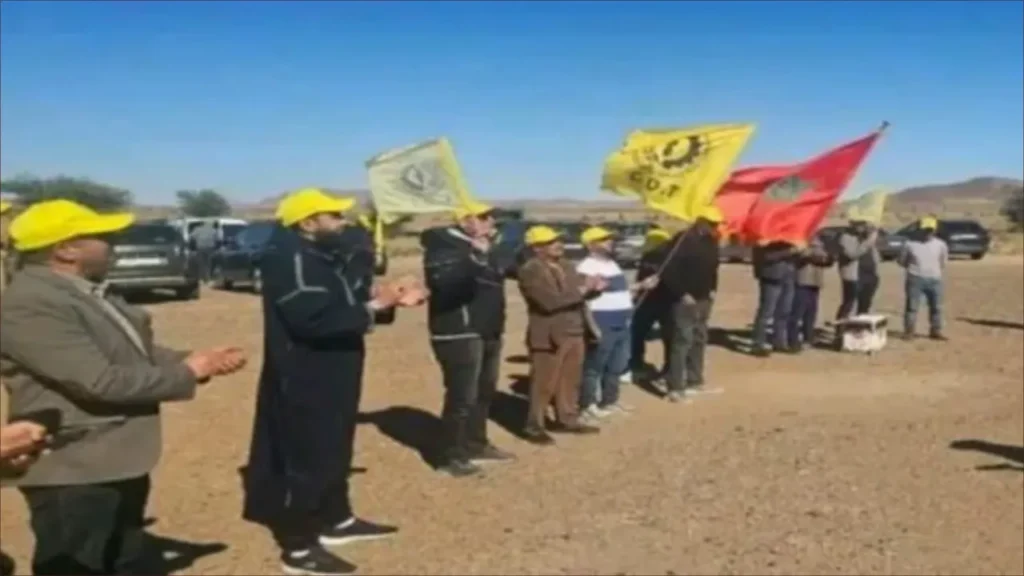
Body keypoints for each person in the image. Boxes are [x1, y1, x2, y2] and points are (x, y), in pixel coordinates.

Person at [0, 199, 246, 576]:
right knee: (78, 563)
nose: (113, 245)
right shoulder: (30, 304)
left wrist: (192, 359)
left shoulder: (85, 291)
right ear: (66, 250)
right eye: (102, 237)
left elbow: (132, 351)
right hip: (75, 467)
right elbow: (99, 381)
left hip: (113, 458)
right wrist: (188, 373)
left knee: (125, 557)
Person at [242, 188, 425, 576]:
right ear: (308, 223)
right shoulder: (289, 258)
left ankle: (335, 518)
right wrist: (377, 306)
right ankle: (298, 545)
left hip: (336, 365)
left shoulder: (318, 255)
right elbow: (311, 319)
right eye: (335, 216)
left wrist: (386, 295)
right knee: (306, 455)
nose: (343, 223)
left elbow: (344, 299)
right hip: (305, 372)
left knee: (334, 445)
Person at [421, 201, 515, 478]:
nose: (490, 223)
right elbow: (444, 283)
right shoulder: (443, 247)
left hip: (489, 329)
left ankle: (476, 443)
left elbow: (506, 268)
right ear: (464, 221)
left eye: (491, 218)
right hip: (459, 331)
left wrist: (492, 249)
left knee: (484, 393)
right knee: (462, 396)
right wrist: (474, 256)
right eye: (483, 217)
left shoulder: (487, 246)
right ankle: (450, 455)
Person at [517, 225, 603, 445]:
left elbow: (578, 296)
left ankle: (567, 419)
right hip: (548, 336)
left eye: (558, 241)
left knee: (570, 381)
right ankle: (534, 426)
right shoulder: (530, 270)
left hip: (575, 331)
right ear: (536, 248)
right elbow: (548, 302)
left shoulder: (567, 265)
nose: (558, 245)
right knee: (543, 383)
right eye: (550, 242)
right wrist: (582, 291)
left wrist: (595, 288)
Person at [576, 226, 651, 422]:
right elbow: (582, 298)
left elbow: (620, 291)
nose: (610, 242)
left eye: (610, 239)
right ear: (590, 245)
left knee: (617, 364)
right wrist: (592, 327)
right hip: (602, 320)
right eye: (604, 239)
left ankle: (609, 401)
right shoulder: (586, 267)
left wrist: (641, 286)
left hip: (622, 320)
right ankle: (587, 405)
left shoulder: (612, 264)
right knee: (595, 366)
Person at [655, 206, 722, 402]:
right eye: (711, 223)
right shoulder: (682, 240)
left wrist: (713, 288)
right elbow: (668, 271)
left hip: (704, 298)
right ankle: (675, 387)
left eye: (717, 224)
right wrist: (682, 293)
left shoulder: (711, 241)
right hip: (684, 300)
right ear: (700, 221)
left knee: (699, 338)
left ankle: (695, 380)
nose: (715, 227)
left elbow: (713, 268)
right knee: (682, 340)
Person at [630, 227, 672, 380]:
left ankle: (669, 368)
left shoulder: (670, 259)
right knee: (637, 333)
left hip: (665, 301)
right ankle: (636, 364)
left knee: (669, 335)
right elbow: (640, 276)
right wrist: (638, 291)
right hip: (645, 300)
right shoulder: (647, 255)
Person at [899, 217, 949, 341]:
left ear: (935, 230)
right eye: (925, 229)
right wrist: (913, 269)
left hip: (934, 279)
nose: (928, 232)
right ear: (919, 229)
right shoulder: (909, 244)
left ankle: (935, 331)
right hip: (915, 279)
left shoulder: (941, 245)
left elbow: (943, 262)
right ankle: (909, 332)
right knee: (912, 307)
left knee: (936, 306)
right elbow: (902, 261)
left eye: (931, 230)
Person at [750, 240, 800, 357]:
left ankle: (779, 341)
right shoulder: (765, 238)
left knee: (784, 311)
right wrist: (788, 252)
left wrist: (800, 251)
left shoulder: (790, 237)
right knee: (766, 312)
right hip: (771, 277)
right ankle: (758, 343)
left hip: (789, 276)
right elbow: (766, 257)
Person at [786, 236, 834, 352]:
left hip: (815, 282)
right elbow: (802, 257)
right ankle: (792, 339)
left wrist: (828, 257)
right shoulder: (799, 241)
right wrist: (814, 254)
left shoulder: (821, 243)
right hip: (802, 281)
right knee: (797, 313)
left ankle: (808, 338)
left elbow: (827, 261)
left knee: (811, 313)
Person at [835, 219, 880, 320]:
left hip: (870, 274)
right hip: (854, 276)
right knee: (849, 303)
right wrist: (868, 242)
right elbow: (852, 254)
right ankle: (841, 326)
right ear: (853, 225)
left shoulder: (866, 236)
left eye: (864, 224)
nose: (863, 227)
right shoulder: (845, 237)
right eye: (860, 224)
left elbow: (876, 255)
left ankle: (860, 325)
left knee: (865, 303)